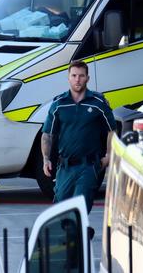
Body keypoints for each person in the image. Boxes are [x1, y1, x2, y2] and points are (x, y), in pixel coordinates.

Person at [41, 60, 116, 213]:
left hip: (89, 166)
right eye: (74, 75)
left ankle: (79, 235)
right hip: (65, 167)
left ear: (87, 78)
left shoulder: (98, 102)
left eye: (81, 76)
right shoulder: (59, 104)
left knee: (79, 206)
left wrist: (108, 155)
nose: (77, 79)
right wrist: (46, 158)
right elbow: (47, 134)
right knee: (61, 209)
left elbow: (111, 131)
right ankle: (79, 234)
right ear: (68, 77)